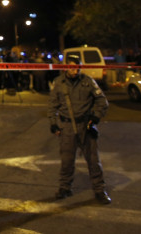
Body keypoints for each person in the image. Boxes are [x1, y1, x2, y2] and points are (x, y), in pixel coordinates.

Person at [48, 55, 111, 204]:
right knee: (67, 161)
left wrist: (94, 118)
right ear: (66, 67)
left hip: (85, 127)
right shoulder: (59, 83)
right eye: (70, 66)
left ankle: (99, 190)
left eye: (76, 67)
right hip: (67, 127)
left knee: (94, 162)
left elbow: (102, 101)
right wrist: (53, 124)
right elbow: (52, 106)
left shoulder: (88, 82)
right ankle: (65, 187)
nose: (73, 70)